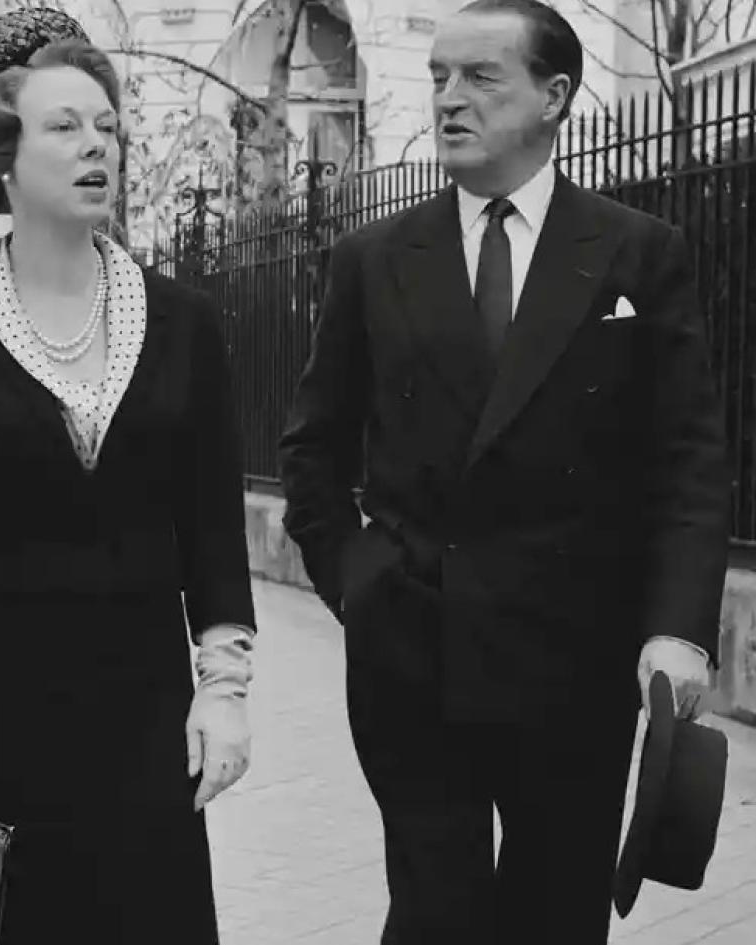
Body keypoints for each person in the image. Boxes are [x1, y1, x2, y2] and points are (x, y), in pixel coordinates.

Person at [278, 1, 729, 942]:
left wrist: (679, 630)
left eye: (481, 78)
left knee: (554, 917)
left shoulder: (637, 252)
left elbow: (685, 459)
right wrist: (359, 585)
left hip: (575, 660)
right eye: (440, 75)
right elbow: (311, 448)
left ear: (554, 96)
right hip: (412, 654)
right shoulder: (372, 258)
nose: (448, 99)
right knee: (433, 914)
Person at [0, 9, 255, 943]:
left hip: (146, 722)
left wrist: (226, 689)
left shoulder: (185, 324)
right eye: (65, 127)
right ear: (1, 157)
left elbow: (211, 526)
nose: (98, 147)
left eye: (109, 127)